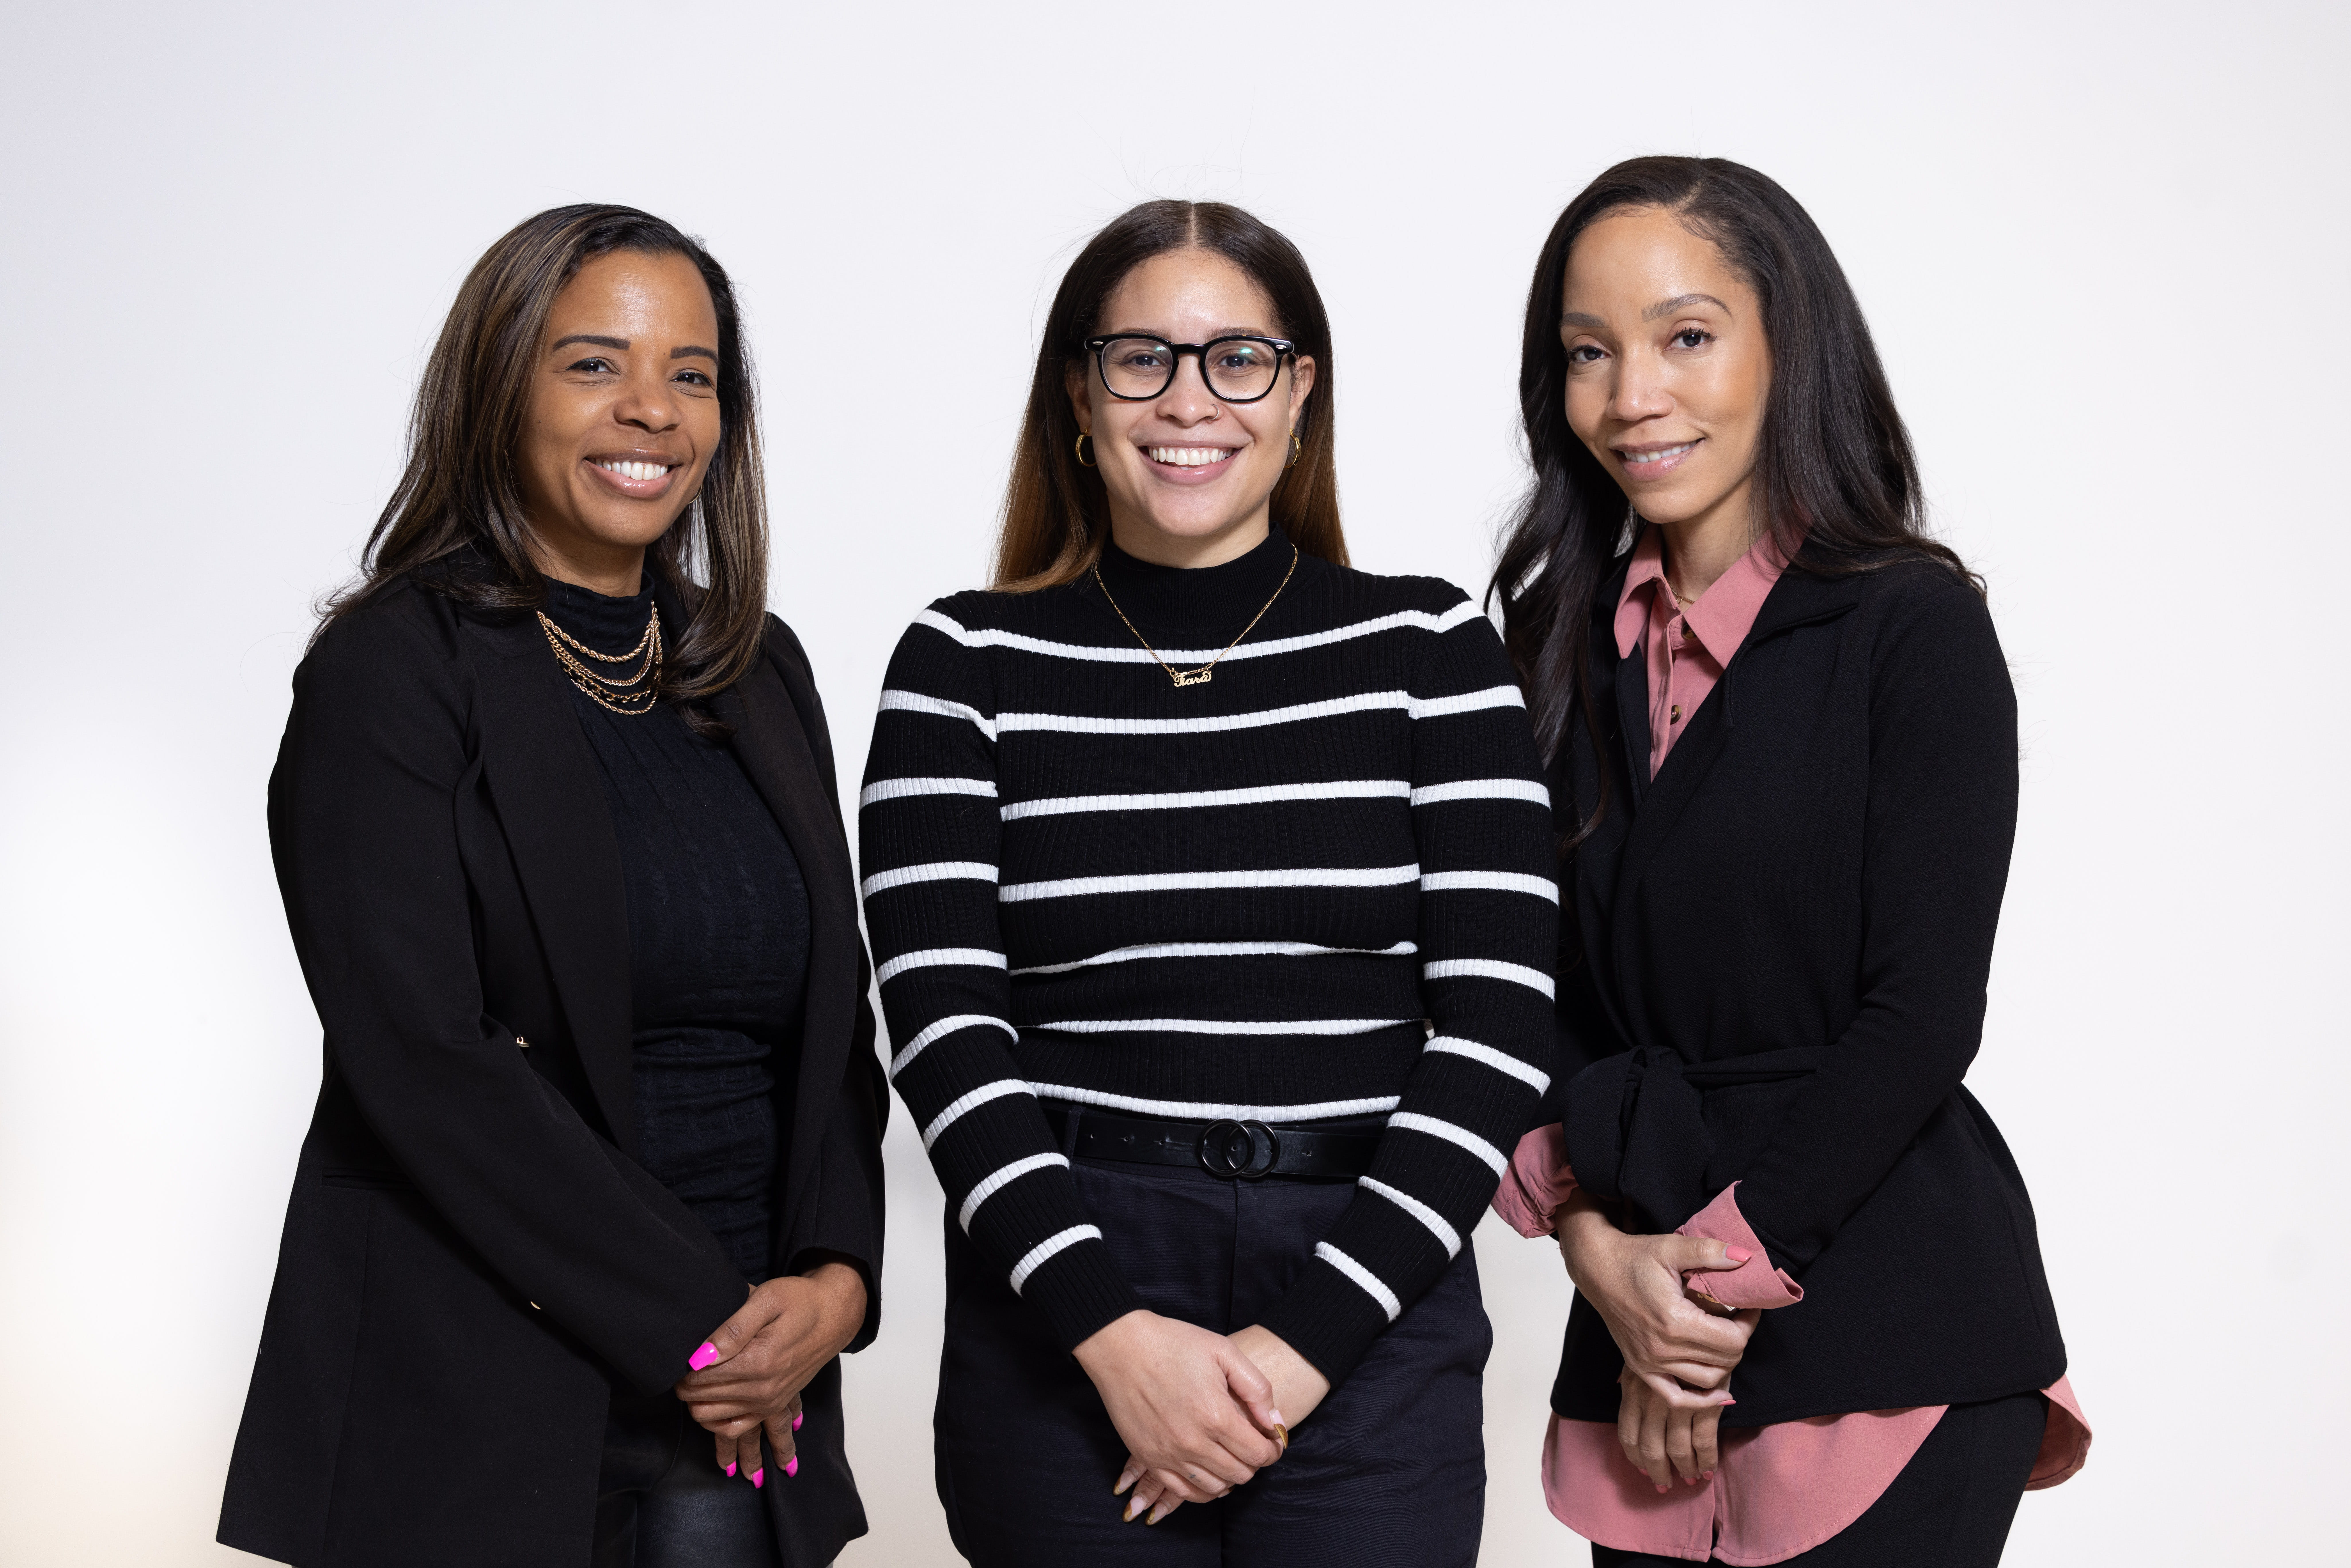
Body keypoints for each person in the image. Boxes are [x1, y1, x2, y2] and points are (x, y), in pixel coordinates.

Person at [856, 199, 1557, 1567]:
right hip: (1065, 1287)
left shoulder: (1427, 650)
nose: (1189, 398)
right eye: (1140, 359)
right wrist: (1113, 1338)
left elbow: (1493, 1034)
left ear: (1301, 391)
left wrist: (1300, 1351)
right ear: (1078, 389)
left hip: (1369, 1282)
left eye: (1238, 357)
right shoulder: (962, 666)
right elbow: (946, 1039)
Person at [217, 205, 886, 1568]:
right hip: (480, 1379)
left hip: (744, 1392)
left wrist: (834, 1278)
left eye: (690, 375)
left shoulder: (756, 671)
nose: (651, 410)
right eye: (594, 364)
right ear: (499, 386)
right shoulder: (392, 671)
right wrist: (698, 1316)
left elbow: (828, 1027)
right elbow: (424, 1057)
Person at [1486, 156, 2090, 1566]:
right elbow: (1514, 988)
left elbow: (1919, 1012)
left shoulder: (1910, 628)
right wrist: (1604, 1262)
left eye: (1685, 336)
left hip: (1880, 1308)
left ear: (1785, 347)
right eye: (1588, 352)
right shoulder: (1544, 652)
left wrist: (1704, 1289)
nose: (1633, 392)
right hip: (1634, 1311)